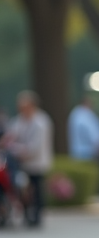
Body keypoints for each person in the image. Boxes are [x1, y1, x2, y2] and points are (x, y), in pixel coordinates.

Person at [0, 91, 54, 226]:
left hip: (36, 162)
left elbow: (35, 147)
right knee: (21, 189)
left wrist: (15, 148)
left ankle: (36, 215)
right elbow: (11, 134)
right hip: (22, 162)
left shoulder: (41, 122)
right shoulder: (20, 120)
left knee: (36, 189)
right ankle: (25, 213)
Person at [68, 95, 99, 161]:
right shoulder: (85, 115)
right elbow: (93, 134)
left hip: (77, 151)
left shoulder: (75, 114)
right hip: (87, 152)